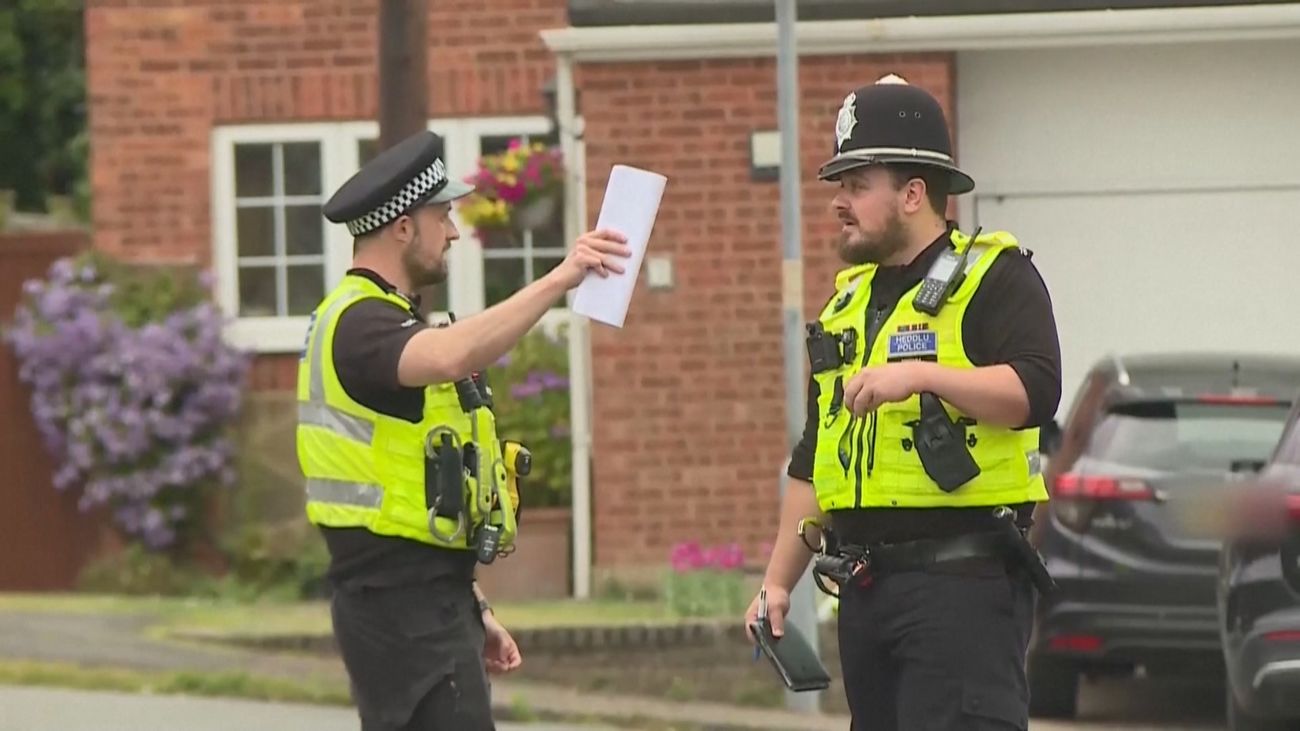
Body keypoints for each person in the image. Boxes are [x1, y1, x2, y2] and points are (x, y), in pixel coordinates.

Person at [744, 75, 1063, 730]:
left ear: (914, 193)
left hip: (962, 590)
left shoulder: (995, 275)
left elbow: (1036, 391)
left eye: (858, 185)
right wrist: (779, 581)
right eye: (840, 185)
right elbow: (816, 455)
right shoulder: (849, 302)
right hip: (867, 591)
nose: (840, 201)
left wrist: (921, 375)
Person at [298, 129, 630, 731]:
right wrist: (562, 278)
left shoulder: (382, 318)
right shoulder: (361, 324)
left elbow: (417, 490)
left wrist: (474, 608)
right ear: (403, 227)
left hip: (422, 602)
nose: (453, 232)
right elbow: (449, 355)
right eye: (443, 215)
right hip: (400, 611)